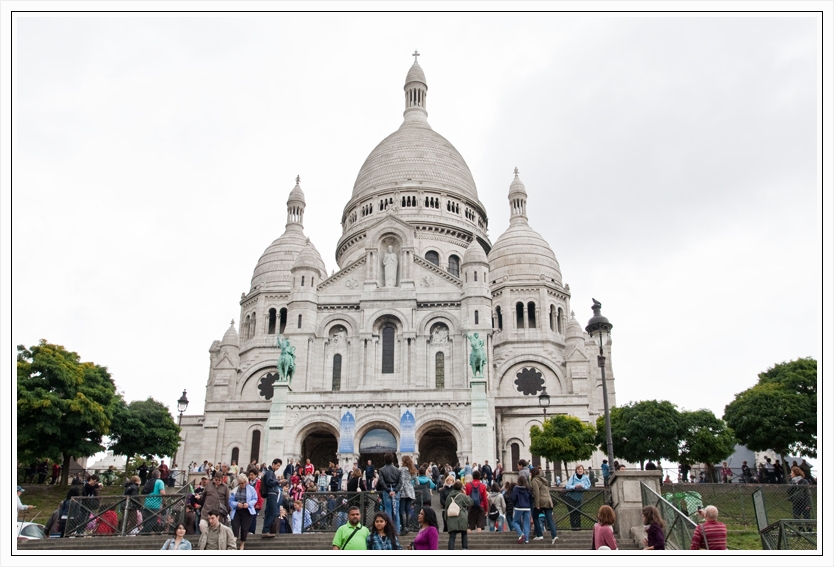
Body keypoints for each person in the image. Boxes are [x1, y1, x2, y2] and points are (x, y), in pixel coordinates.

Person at [228, 473, 257, 550]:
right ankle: (234, 542)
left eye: (244, 483)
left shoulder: (251, 489)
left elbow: (255, 499)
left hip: (247, 511)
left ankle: (242, 543)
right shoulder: (235, 490)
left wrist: (249, 504)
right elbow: (230, 501)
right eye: (241, 483)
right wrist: (237, 504)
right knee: (235, 526)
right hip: (237, 511)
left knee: (244, 528)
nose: (242, 484)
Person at [530, 466, 558, 543]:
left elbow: (536, 493)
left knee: (535, 516)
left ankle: (539, 534)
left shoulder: (535, 480)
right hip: (548, 501)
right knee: (549, 519)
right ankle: (554, 536)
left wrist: (537, 504)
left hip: (541, 501)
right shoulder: (543, 480)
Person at [376, 452, 402, 531]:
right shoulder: (398, 470)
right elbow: (400, 482)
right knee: (396, 511)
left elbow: (381, 481)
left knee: (388, 511)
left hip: (386, 491)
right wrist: (395, 491)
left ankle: (389, 530)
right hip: (395, 491)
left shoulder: (382, 470)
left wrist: (387, 490)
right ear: (392, 460)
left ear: (384, 460)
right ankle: (397, 530)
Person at [445, 480, 473, 550]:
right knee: (464, 533)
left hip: (451, 518)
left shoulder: (449, 497)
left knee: (452, 536)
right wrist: (466, 494)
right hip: (462, 517)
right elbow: (471, 502)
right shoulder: (462, 496)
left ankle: (451, 550)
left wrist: (446, 519)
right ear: (461, 488)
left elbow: (446, 509)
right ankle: (464, 548)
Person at [260, 458, 282, 538]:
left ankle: (266, 530)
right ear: (273, 464)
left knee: (269, 513)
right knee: (273, 513)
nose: (278, 467)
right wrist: (278, 481)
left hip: (271, 494)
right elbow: (269, 482)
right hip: (271, 494)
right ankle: (266, 529)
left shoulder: (271, 472)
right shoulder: (269, 472)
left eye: (279, 466)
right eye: (277, 465)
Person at [565, 464, 591, 530]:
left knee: (578, 512)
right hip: (570, 497)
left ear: (583, 470)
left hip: (579, 498)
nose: (580, 470)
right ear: (576, 470)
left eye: (581, 469)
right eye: (578, 469)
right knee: (572, 513)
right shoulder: (573, 477)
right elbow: (568, 486)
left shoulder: (585, 477)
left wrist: (582, 486)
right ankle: (573, 528)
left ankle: (578, 527)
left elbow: (588, 486)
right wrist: (575, 486)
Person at [398, 455, 418, 535]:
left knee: (402, 510)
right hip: (410, 490)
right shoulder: (413, 469)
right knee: (408, 509)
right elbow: (417, 482)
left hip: (403, 491)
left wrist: (399, 490)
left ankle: (404, 527)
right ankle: (407, 526)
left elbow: (402, 481)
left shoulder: (402, 469)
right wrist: (410, 486)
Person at [511, 475, 534, 544]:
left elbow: (514, 498)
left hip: (519, 507)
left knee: (515, 522)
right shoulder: (528, 488)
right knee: (526, 523)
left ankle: (521, 534)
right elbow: (531, 498)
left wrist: (515, 504)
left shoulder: (516, 488)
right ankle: (526, 539)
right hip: (527, 507)